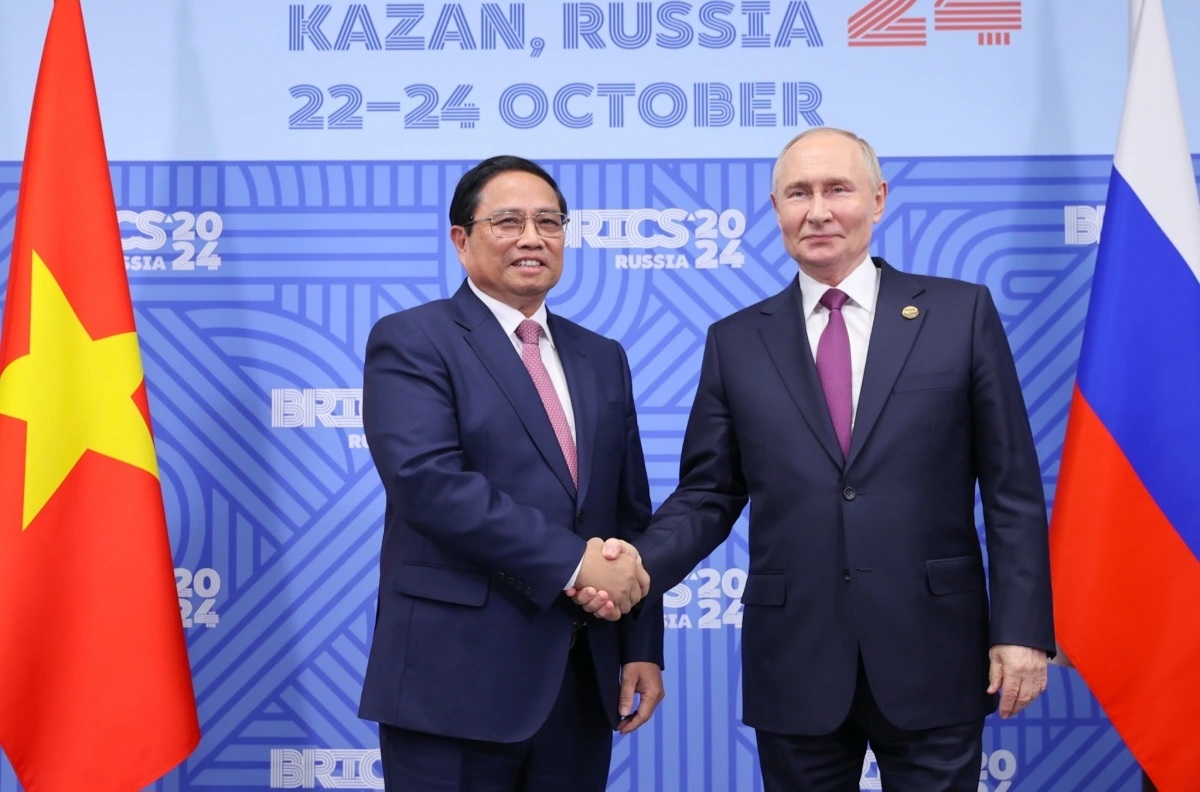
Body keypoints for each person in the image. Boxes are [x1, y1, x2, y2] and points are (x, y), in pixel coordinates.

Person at [575, 128, 1055, 791]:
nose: (818, 211)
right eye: (798, 193)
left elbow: (1012, 489)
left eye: (838, 189)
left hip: (935, 651)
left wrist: (1023, 630)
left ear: (878, 199)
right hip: (795, 659)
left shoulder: (959, 314)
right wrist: (636, 564)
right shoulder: (735, 341)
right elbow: (709, 492)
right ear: (776, 208)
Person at [358, 155, 664, 792]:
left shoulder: (602, 356)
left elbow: (627, 512)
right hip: (452, 684)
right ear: (461, 239)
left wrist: (640, 645)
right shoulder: (413, 339)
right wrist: (576, 563)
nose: (532, 237)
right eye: (508, 222)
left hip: (579, 682)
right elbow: (428, 483)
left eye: (549, 222)